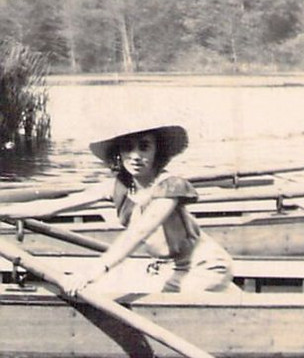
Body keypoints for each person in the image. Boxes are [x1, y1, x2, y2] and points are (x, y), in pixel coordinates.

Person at [0, 122, 238, 298]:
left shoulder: (171, 186)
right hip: (167, 268)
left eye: (144, 148)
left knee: (113, 290)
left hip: (205, 269)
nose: (135, 156)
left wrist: (93, 272)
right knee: (108, 288)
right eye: (128, 148)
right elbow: (54, 206)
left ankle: (226, 294)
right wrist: (5, 211)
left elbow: (138, 233)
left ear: (158, 152)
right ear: (119, 153)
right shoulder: (119, 186)